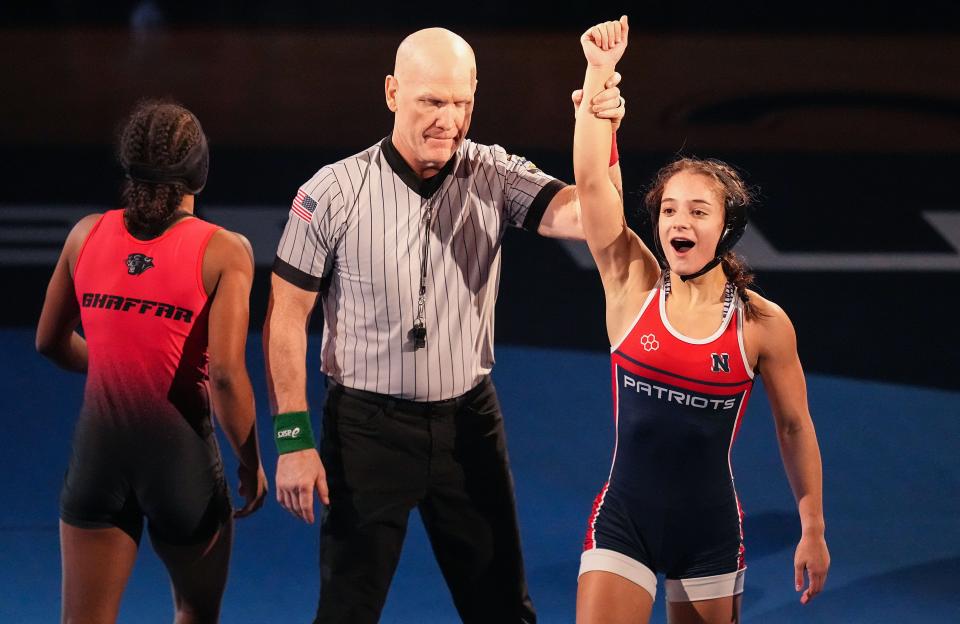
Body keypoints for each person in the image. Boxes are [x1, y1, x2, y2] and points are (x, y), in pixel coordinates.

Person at [264, 27, 626, 623]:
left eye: (461, 103)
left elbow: (595, 219)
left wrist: (599, 119)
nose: (448, 120)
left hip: (468, 426)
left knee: (504, 611)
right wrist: (293, 441)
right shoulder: (329, 193)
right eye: (431, 101)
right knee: (346, 613)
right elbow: (285, 318)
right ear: (391, 93)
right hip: (365, 432)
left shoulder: (494, 173)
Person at [572, 17, 830, 624]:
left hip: (710, 534)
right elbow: (591, 184)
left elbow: (795, 428)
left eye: (696, 210)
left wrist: (812, 527)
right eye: (667, 209)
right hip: (622, 524)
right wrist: (598, 72)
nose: (676, 222)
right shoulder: (631, 284)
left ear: (727, 229)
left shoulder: (763, 325)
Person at [36, 100, 268, 623]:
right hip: (180, 465)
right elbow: (228, 376)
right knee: (194, 612)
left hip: (98, 460)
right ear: (200, 172)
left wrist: (113, 365)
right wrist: (251, 461)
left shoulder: (84, 235)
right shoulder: (226, 251)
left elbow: (49, 343)